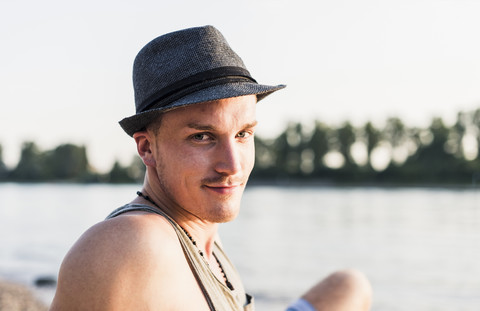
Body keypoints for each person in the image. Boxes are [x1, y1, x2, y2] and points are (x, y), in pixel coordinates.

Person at [50, 25, 372, 311]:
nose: (232, 165)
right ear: (147, 148)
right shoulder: (127, 245)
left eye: (243, 134)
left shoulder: (199, 230)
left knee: (350, 286)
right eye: (202, 137)